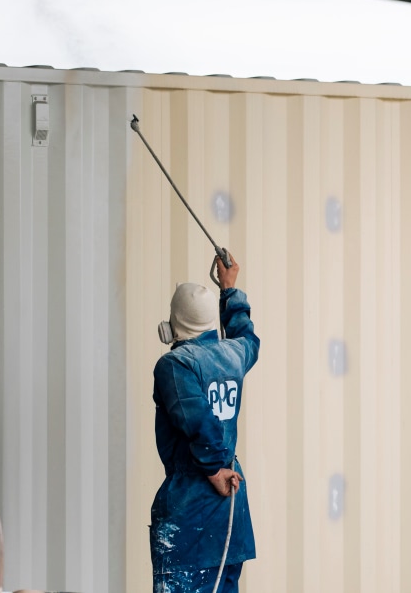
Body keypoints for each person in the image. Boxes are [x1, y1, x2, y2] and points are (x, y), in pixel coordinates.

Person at [149, 253, 259, 593]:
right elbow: (248, 336)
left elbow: (199, 419)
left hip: (193, 508)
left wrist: (212, 470)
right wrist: (230, 290)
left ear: (173, 322)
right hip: (230, 508)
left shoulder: (175, 365)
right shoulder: (235, 352)